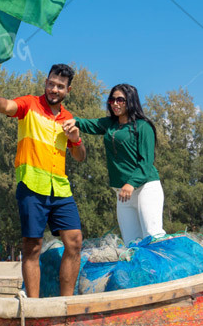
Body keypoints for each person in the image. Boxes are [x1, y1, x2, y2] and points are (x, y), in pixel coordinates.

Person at [0, 64, 85, 297]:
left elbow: (80, 157)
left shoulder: (68, 119)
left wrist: (75, 139)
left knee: (75, 242)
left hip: (60, 189)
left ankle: (66, 304)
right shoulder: (30, 104)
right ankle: (34, 306)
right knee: (32, 246)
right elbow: (8, 106)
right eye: (51, 83)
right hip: (31, 186)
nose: (54, 89)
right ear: (45, 82)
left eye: (60, 86)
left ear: (68, 89)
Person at [65, 84, 164, 245]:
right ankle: (141, 271)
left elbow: (146, 163)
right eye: (112, 100)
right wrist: (73, 121)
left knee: (152, 236)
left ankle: (166, 269)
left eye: (120, 100)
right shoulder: (110, 124)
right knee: (131, 242)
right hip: (122, 192)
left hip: (145, 187)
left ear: (130, 101)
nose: (115, 104)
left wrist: (130, 184)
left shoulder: (143, 126)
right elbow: (88, 124)